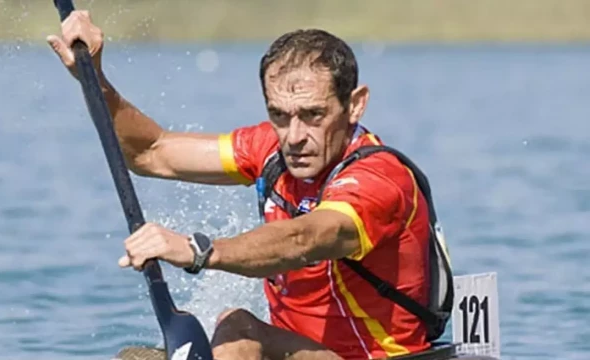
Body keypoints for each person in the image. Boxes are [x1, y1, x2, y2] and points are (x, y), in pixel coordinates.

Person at [48, 10, 453, 360]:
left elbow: (305, 238)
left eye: (313, 115)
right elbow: (151, 152)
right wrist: (93, 76)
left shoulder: (378, 178)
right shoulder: (271, 150)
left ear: (356, 104)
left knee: (238, 324)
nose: (294, 135)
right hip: (298, 351)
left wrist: (197, 251)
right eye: (279, 115)